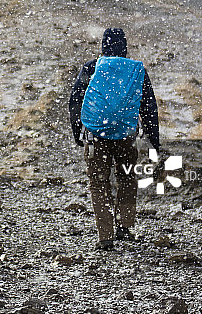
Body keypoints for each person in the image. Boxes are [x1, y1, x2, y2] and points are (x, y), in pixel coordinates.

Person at [68, 28, 160, 250]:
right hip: (126, 136)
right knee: (127, 178)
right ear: (125, 47)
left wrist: (78, 132)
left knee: (99, 183)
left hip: (96, 136)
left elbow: (75, 100)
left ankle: (105, 235)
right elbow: (148, 106)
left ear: (103, 46)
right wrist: (154, 140)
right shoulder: (137, 70)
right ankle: (124, 227)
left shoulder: (92, 67)